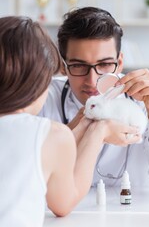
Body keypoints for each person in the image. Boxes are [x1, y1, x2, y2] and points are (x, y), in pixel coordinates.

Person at [0, 16, 140, 227]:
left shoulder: (51, 136)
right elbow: (63, 204)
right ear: (39, 83)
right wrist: (98, 132)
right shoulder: (50, 134)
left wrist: (84, 120)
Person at [40, 7, 149, 195]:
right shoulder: (44, 99)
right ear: (64, 67)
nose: (92, 80)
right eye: (79, 65)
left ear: (119, 63)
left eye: (104, 64)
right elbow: (29, 177)